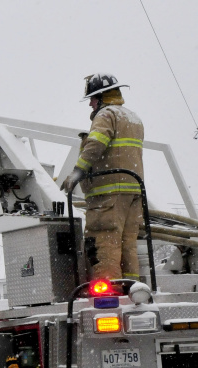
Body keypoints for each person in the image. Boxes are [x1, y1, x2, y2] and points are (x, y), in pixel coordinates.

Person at [61, 73, 144, 281]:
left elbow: (96, 144)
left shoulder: (106, 115)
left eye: (92, 98)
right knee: (128, 244)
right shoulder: (133, 118)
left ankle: (110, 291)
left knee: (104, 241)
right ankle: (131, 286)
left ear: (103, 97)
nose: (90, 104)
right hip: (133, 190)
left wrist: (77, 173)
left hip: (108, 193)